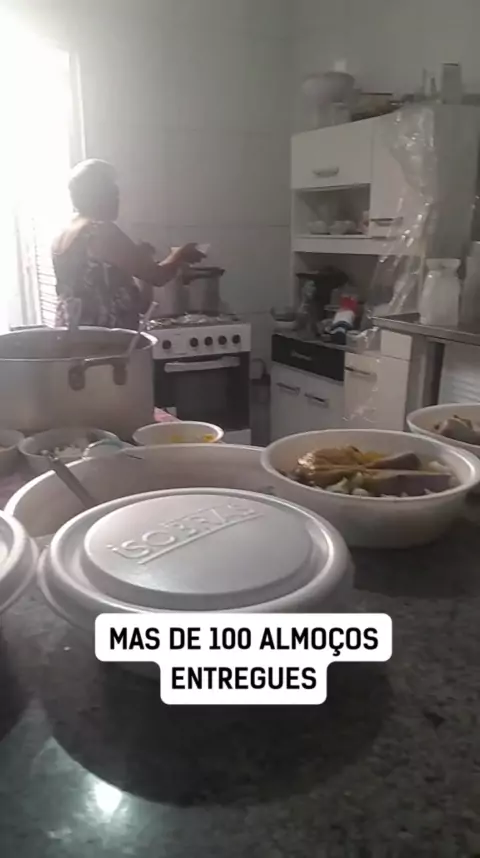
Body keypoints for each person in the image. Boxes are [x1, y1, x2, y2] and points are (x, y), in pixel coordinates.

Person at [52, 159, 203, 329]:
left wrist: (141, 258)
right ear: (95, 196)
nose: (117, 200)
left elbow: (139, 300)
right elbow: (157, 276)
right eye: (112, 193)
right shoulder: (101, 231)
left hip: (72, 332)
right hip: (104, 336)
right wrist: (180, 254)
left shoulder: (63, 232)